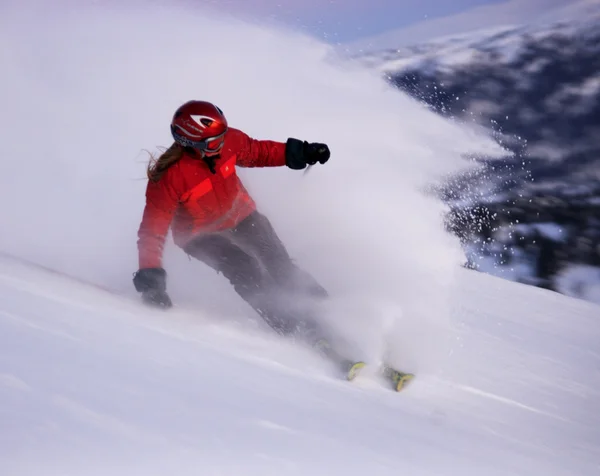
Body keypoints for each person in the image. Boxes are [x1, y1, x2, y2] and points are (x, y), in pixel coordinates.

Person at [133, 100, 332, 342]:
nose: (222, 145)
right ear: (191, 143)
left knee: (278, 262)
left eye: (223, 137)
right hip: (200, 236)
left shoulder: (227, 142)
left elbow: (259, 152)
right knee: (245, 268)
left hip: (241, 215)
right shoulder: (169, 178)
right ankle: (293, 327)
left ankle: (327, 312)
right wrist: (151, 279)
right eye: (215, 142)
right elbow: (153, 229)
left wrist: (302, 152)